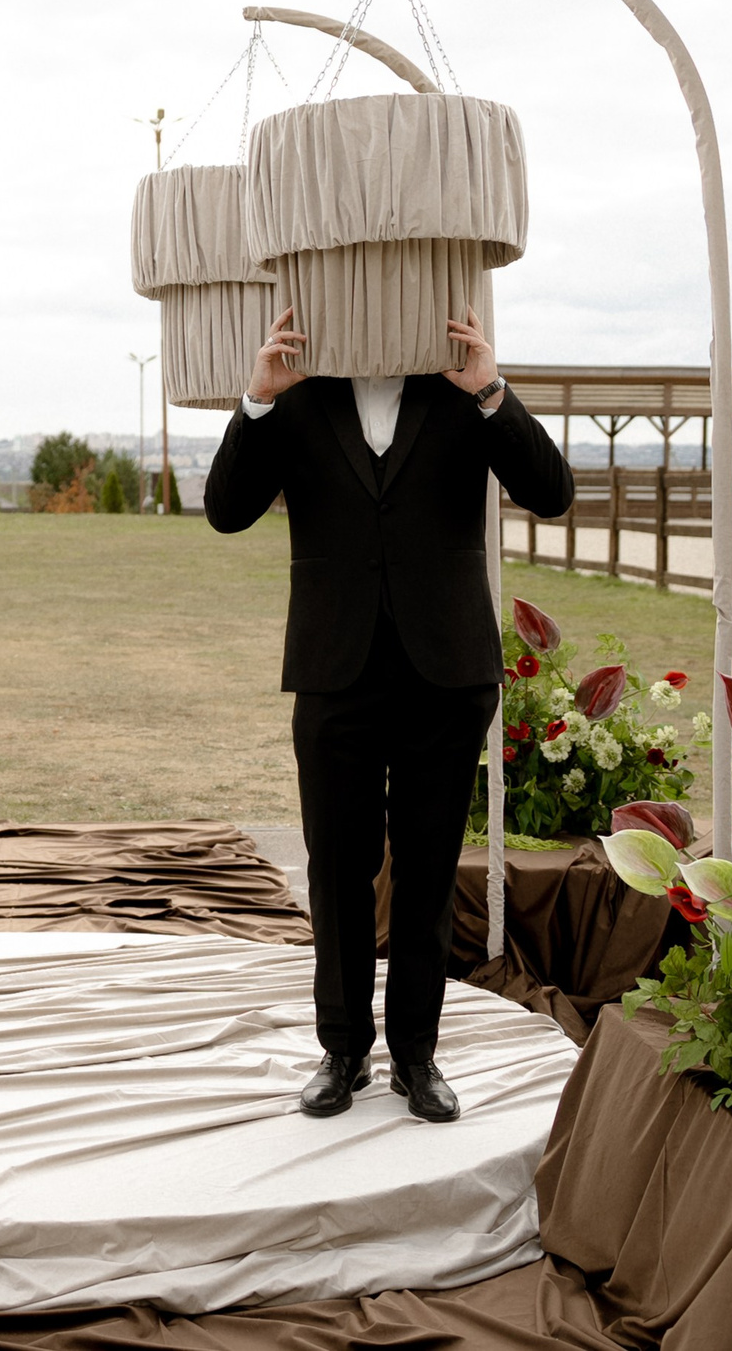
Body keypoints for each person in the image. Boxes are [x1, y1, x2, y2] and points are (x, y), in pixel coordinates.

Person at [204, 306, 571, 1122]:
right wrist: (258, 398)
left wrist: (491, 391)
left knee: (429, 866)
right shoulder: (298, 389)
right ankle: (342, 1050)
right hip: (335, 672)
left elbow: (552, 492)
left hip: (447, 672)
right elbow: (226, 509)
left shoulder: (458, 386)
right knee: (335, 865)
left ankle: (417, 1054)